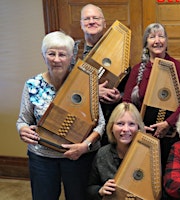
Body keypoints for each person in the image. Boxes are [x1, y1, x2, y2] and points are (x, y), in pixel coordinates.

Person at [16, 31, 105, 200]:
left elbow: (100, 123)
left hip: (78, 157)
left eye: (62, 54)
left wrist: (84, 146)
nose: (56, 59)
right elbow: (23, 120)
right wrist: (22, 129)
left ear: (71, 57)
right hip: (41, 158)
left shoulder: (83, 83)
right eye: (51, 53)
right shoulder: (33, 85)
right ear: (43, 56)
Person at [122, 23, 180, 173]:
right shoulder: (138, 70)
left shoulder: (178, 67)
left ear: (166, 41)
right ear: (146, 43)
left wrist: (168, 123)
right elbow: (127, 102)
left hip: (172, 135)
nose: (157, 40)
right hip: (143, 134)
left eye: (161, 36)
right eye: (152, 37)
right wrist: (138, 126)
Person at [73, 4, 129, 145]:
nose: (91, 21)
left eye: (96, 18)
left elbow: (127, 89)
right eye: (86, 19)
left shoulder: (119, 52)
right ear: (81, 24)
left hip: (110, 119)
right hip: (80, 120)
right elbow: (63, 87)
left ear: (104, 23)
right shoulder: (72, 52)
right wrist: (93, 92)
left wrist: (119, 97)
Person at [87, 102, 145, 199]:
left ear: (138, 127)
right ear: (111, 128)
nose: (126, 129)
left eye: (131, 124)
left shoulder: (146, 155)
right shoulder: (103, 153)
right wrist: (100, 190)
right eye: (120, 124)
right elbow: (90, 187)